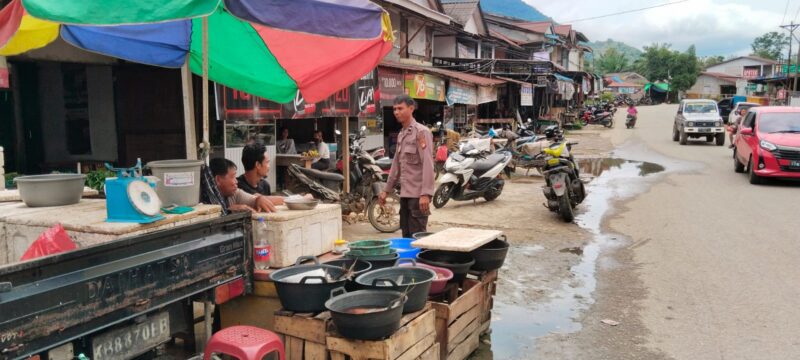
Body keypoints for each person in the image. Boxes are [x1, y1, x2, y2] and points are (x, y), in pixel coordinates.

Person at [379, 95, 435, 238]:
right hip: (405, 195)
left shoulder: (421, 132)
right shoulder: (401, 134)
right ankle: (409, 261)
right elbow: (396, 166)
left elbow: (428, 164)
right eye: (394, 109)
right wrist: (386, 190)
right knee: (406, 235)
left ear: (411, 109)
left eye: (400, 108)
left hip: (418, 196)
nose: (396, 112)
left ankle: (419, 261)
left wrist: (425, 194)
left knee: (418, 237)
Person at [209, 158, 280, 213]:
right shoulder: (204, 203)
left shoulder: (235, 193)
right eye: (232, 177)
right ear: (218, 180)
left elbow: (254, 199)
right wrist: (229, 211)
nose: (236, 181)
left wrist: (258, 199)